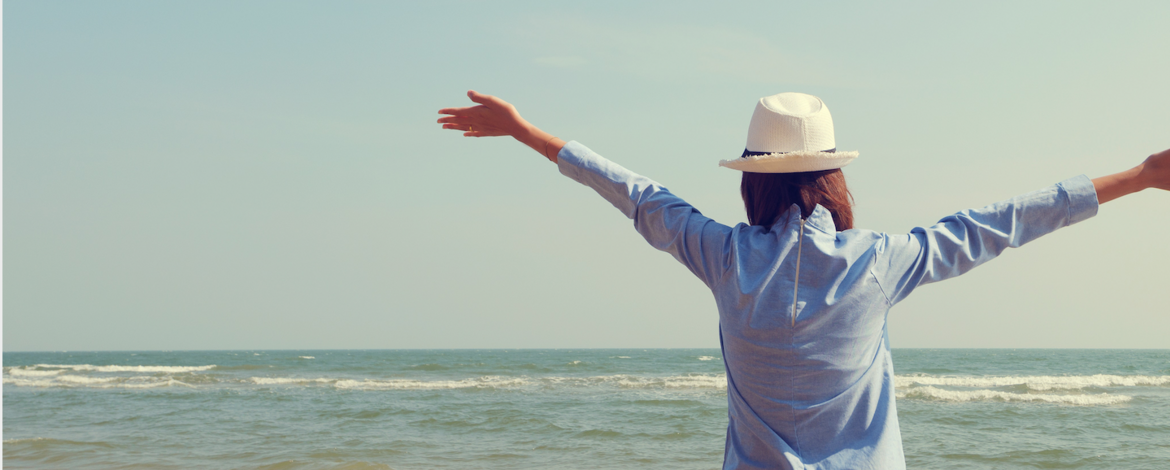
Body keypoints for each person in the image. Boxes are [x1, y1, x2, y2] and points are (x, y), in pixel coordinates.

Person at [437, 90, 1168, 469]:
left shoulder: (721, 257)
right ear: (835, 180)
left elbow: (635, 192)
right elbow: (1002, 222)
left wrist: (526, 131)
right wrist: (1137, 177)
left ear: (754, 181)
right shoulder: (880, 261)